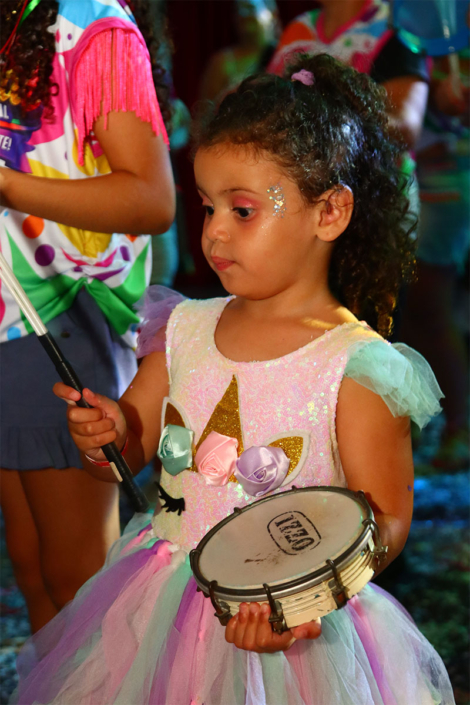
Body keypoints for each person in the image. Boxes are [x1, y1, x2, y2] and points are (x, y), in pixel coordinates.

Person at [14, 54, 454, 704]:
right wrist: (107, 435)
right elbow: (126, 455)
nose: (214, 231)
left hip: (296, 629)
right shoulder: (185, 328)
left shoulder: (355, 366)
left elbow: (385, 521)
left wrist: (299, 601)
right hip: (164, 605)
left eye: (243, 210)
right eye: (207, 206)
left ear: (330, 213)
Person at [0, 0, 175, 634]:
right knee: (32, 568)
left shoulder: (93, 25)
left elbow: (152, 198)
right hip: (9, 316)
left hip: (62, 317)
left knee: (78, 581)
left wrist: (7, 186)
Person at [399, 52, 470, 470]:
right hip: (405, 181)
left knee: (431, 305)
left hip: (444, 182)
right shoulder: (412, 36)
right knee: (405, 309)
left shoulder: (453, 43)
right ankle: (418, 424)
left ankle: (459, 427)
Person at [199, 0, 280, 102]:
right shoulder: (222, 62)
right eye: (239, 10)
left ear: (272, 13)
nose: (243, 14)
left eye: (250, 8)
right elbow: (206, 108)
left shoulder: (284, 54)